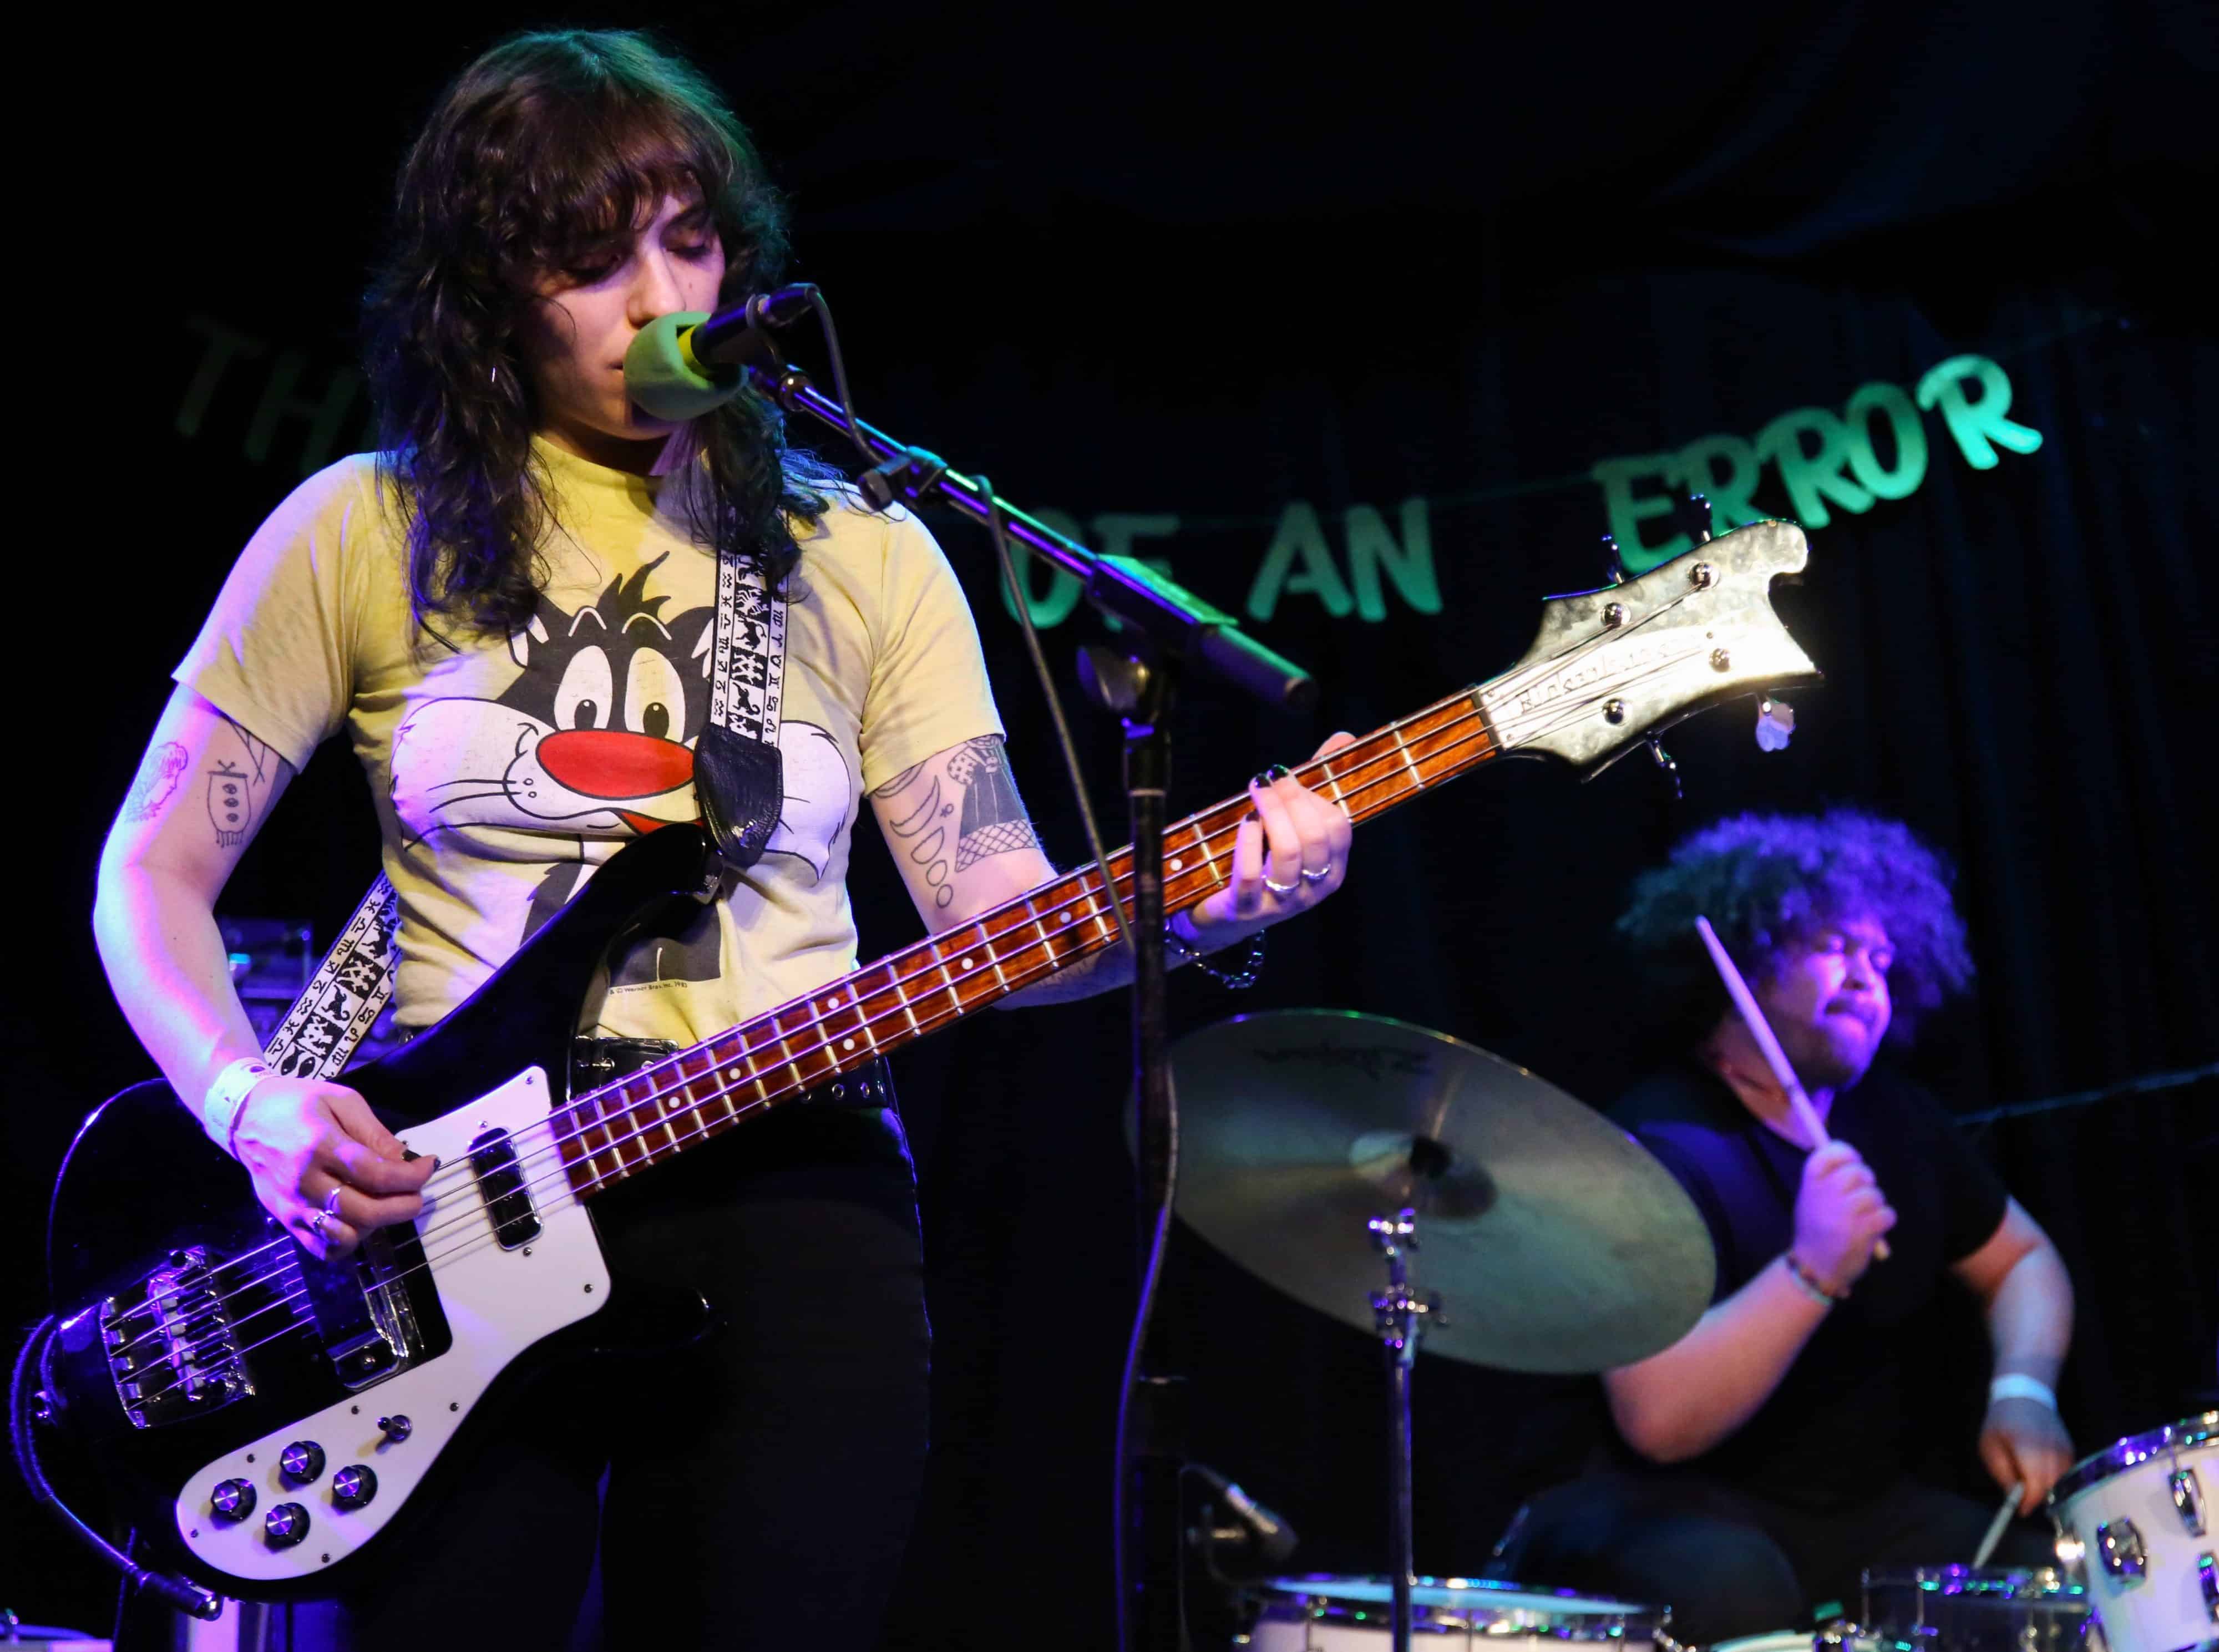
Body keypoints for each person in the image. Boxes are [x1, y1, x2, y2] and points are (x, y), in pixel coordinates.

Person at [92, 30, 1353, 1650]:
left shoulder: (869, 549)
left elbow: (1004, 916)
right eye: (590, 257)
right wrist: (249, 1098)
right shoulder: (363, 523)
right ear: (488, 292)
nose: (654, 297)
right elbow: (152, 873)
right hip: (444, 1204)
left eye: (688, 242)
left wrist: (1206, 910)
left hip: (792, 1181)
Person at [1497, 811, 2075, 1645]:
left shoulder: (1897, 1121)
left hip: (1850, 1509)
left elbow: (2022, 1257)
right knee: (1734, 1587)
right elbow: (1658, 1421)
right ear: (1748, 956)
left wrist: (2023, 1389)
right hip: (1650, 1503)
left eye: (1883, 959)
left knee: (2025, 1592)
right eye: (1835, 946)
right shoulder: (1659, 1146)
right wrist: (1813, 1269)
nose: (1867, 976)